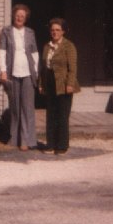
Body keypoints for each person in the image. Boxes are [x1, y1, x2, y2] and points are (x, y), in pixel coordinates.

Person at [0, 4, 39, 150]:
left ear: (26, 18)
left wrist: (35, 72)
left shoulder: (30, 32)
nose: (19, 18)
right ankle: (14, 138)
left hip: (27, 72)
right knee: (15, 106)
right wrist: (3, 70)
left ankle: (26, 140)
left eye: (22, 16)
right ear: (13, 16)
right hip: (12, 72)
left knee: (27, 107)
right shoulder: (6, 31)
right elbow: (2, 51)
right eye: (17, 15)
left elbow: (35, 54)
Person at [39, 18, 80, 155]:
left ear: (63, 31)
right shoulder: (46, 46)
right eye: (52, 30)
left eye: (57, 30)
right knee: (51, 114)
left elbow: (73, 68)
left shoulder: (69, 46)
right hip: (50, 82)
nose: (54, 32)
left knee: (62, 115)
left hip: (63, 83)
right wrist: (41, 84)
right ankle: (50, 144)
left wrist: (70, 84)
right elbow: (43, 67)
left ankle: (62, 146)